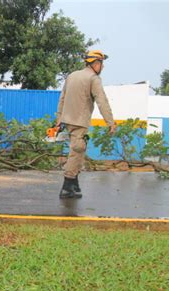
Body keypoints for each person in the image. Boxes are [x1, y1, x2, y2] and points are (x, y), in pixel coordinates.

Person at [56, 50, 116, 199]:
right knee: (76, 152)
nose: (102, 68)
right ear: (96, 63)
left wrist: (59, 120)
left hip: (66, 120)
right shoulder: (93, 78)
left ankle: (74, 186)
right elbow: (102, 101)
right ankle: (67, 187)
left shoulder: (72, 76)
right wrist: (110, 122)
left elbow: (62, 99)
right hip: (79, 121)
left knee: (77, 152)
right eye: (101, 64)